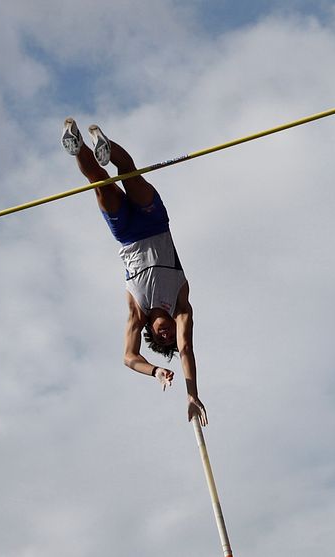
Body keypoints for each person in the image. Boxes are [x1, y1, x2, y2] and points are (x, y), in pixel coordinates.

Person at [62, 118, 208, 427]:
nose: (167, 335)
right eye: (171, 337)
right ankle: (105, 145)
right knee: (129, 171)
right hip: (153, 223)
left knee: (99, 181)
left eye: (161, 338)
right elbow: (186, 349)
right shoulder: (181, 306)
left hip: (126, 233)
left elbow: (129, 358)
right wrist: (192, 393)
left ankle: (76, 146)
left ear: (152, 333)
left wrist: (155, 371)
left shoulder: (137, 314)